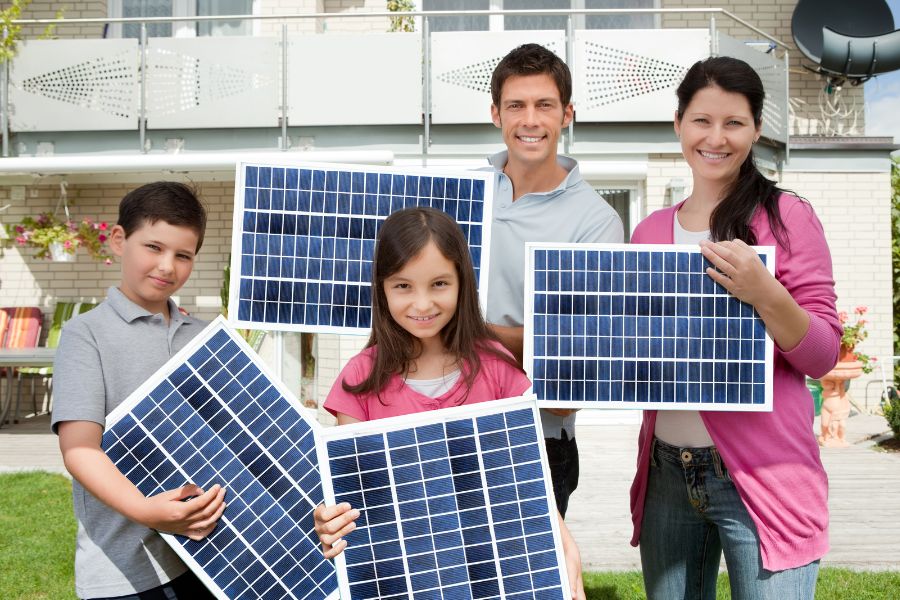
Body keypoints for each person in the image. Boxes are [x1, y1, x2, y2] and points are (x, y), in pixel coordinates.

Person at [628, 56, 842, 599]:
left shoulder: (787, 217)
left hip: (768, 474)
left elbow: (821, 356)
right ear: (678, 124)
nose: (716, 138)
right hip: (667, 475)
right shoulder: (650, 232)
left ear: (757, 129)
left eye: (734, 123)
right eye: (701, 120)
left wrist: (765, 292)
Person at [313, 206, 585, 599]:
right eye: (403, 286)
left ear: (462, 282)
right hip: (402, 576)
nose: (422, 304)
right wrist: (331, 522)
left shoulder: (497, 370)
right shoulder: (360, 379)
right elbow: (356, 498)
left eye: (439, 284)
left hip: (495, 568)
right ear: (381, 288)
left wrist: (564, 542)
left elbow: (529, 482)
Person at [52, 182, 226, 600]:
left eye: (183, 255)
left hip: (209, 557)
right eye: (153, 247)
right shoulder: (86, 334)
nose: (167, 266)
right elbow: (80, 450)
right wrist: (147, 512)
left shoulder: (203, 337)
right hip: (124, 570)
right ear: (118, 241)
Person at [484, 43, 624, 518]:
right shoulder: (461, 195)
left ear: (567, 115)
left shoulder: (596, 222)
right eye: (516, 105)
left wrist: (467, 332)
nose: (530, 120)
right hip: (442, 414)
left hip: (536, 434)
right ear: (495, 114)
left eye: (544, 105)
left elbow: (572, 352)